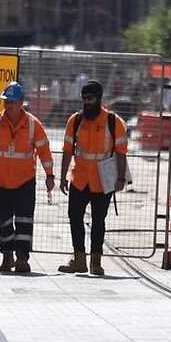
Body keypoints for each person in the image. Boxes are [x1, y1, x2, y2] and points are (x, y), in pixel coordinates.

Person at [0, 81, 55, 273]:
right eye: (6, 101)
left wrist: (50, 175)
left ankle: (22, 258)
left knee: (24, 221)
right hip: (1, 182)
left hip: (25, 182)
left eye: (12, 102)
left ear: (21, 102)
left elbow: (44, 151)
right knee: (4, 220)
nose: (8, 105)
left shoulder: (33, 124)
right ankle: (7, 257)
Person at [58, 80, 127, 276]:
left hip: (103, 180)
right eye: (84, 99)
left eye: (91, 98)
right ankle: (79, 260)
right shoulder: (75, 120)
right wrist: (63, 177)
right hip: (79, 178)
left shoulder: (113, 122)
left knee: (99, 220)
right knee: (74, 217)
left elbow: (121, 152)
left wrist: (120, 178)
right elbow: (67, 151)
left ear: (99, 99)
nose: (87, 102)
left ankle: (96, 262)